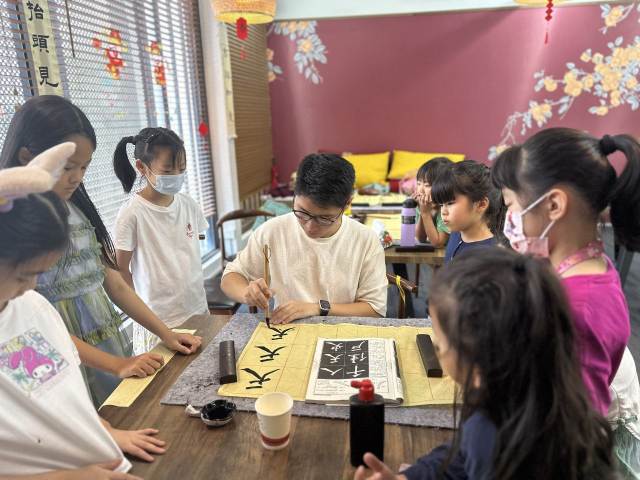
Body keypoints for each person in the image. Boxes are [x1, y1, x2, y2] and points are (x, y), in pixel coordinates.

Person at [0, 95, 201, 406]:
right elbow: (30, 331)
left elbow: (116, 283)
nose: (78, 177)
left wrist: (166, 334)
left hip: (101, 342)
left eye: (85, 166)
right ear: (29, 157)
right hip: (56, 355)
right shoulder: (17, 224)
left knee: (117, 415)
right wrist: (116, 365)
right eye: (69, 167)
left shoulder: (76, 209)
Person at [355, 249, 616, 480]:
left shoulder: (491, 434)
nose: (437, 351)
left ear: (477, 361)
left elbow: (473, 450)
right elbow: (462, 455)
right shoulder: (544, 391)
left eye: (440, 345)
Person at [0, 143, 164, 479]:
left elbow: (56, 390)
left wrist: (103, 432)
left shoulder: (27, 306)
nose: (31, 287)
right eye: (23, 275)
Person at [492, 128, 637, 416]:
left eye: (511, 205)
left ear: (554, 205)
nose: (509, 219)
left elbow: (571, 433)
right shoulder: (595, 268)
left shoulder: (575, 308)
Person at [221, 153, 388, 323]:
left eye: (324, 218)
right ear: (294, 195)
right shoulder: (271, 232)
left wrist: (316, 308)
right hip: (289, 331)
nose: (310, 227)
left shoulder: (365, 240)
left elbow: (374, 309)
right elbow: (231, 276)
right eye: (302, 213)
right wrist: (246, 292)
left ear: (347, 204)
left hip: (343, 333)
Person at [113, 128, 208, 355]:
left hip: (197, 309)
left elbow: (193, 245)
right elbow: (120, 271)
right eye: (167, 170)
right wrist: (140, 311)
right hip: (158, 322)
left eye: (182, 169)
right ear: (141, 168)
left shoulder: (188, 204)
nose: (176, 175)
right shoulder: (132, 214)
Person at [431, 160, 505, 263]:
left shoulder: (491, 255)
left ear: (481, 204)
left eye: (450, 203)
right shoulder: (456, 234)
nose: (443, 212)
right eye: (441, 204)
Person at [413, 157, 452, 248]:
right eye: (419, 183)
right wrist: (422, 211)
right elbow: (420, 238)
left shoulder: (445, 208)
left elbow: (438, 243)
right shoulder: (424, 206)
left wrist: (425, 213)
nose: (421, 190)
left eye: (427, 185)